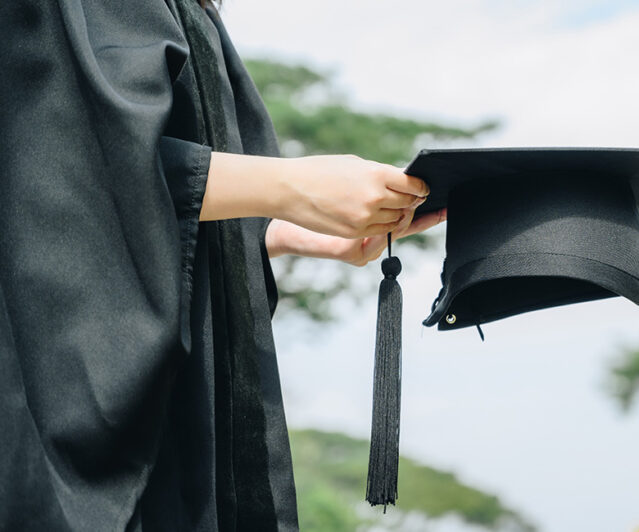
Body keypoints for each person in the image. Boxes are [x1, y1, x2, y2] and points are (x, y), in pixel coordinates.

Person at [0, 0, 444, 529]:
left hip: (195, 415)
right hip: (69, 429)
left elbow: (179, 199)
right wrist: (290, 187)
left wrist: (281, 229)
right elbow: (61, 169)